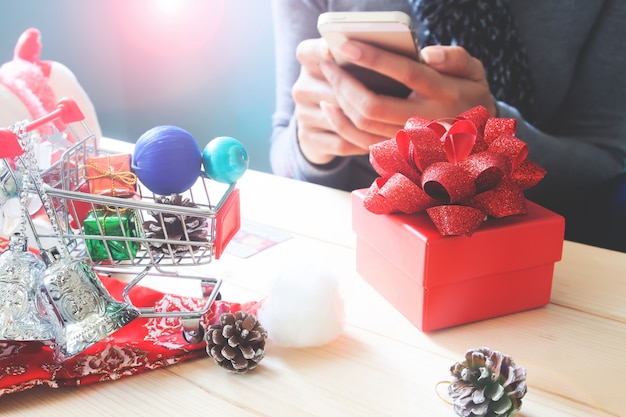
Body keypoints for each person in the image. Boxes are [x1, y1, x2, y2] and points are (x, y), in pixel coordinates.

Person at [269, 0, 626, 251]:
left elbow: (607, 161)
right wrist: (311, 147)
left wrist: (493, 132)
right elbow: (284, 150)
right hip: (358, 241)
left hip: (525, 244)